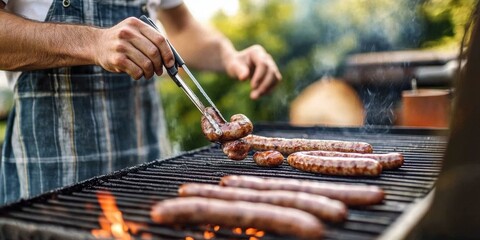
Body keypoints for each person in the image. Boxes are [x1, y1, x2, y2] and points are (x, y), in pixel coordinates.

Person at [0, 0, 282, 204]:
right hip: (50, 179)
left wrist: (229, 56)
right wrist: (93, 42)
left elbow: (181, 28)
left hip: (149, 170)